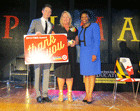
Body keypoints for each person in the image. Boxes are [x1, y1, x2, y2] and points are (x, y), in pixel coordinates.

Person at [27, 4, 53, 103]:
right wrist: (35, 34)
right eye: (46, 11)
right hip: (37, 52)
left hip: (47, 53)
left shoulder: (51, 25)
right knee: (37, 73)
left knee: (46, 73)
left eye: (49, 12)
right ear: (42, 11)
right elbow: (28, 33)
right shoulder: (35, 21)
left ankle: (45, 95)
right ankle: (38, 95)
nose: (48, 13)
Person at [52, 11, 78, 102]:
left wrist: (74, 43)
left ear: (70, 19)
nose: (65, 19)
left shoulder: (74, 28)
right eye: (64, 17)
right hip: (60, 54)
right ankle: (61, 94)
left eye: (67, 17)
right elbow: (52, 40)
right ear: (61, 18)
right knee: (61, 74)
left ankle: (69, 94)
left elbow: (77, 40)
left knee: (70, 74)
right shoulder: (56, 27)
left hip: (71, 54)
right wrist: (63, 43)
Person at [78, 11, 101, 104]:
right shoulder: (80, 28)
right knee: (86, 75)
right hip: (83, 53)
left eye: (86, 17)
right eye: (82, 17)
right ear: (80, 18)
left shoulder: (94, 26)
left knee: (92, 74)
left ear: (88, 17)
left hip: (92, 52)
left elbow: (97, 41)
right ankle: (87, 94)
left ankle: (90, 95)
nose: (84, 18)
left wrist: (94, 53)